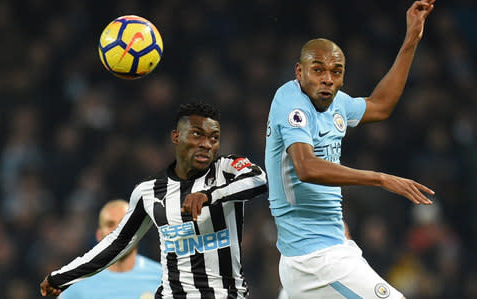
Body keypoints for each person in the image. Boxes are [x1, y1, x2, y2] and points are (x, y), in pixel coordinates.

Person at [265, 1, 435, 298]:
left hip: (332, 249)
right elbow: (306, 167)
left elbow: (380, 105)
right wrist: (381, 178)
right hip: (314, 260)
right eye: (317, 70)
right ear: (299, 72)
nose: (327, 79)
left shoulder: (338, 102)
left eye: (335, 71)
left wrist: (410, 40)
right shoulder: (290, 102)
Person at [41, 102, 268, 298]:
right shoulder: (149, 192)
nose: (207, 144)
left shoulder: (227, 169)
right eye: (197, 134)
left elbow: (259, 179)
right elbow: (117, 244)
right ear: (176, 137)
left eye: (214, 138)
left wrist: (210, 195)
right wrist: (62, 277)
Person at [57, 199, 162, 299]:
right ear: (99, 235)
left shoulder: (163, 278)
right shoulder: (76, 284)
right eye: (110, 224)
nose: (118, 230)